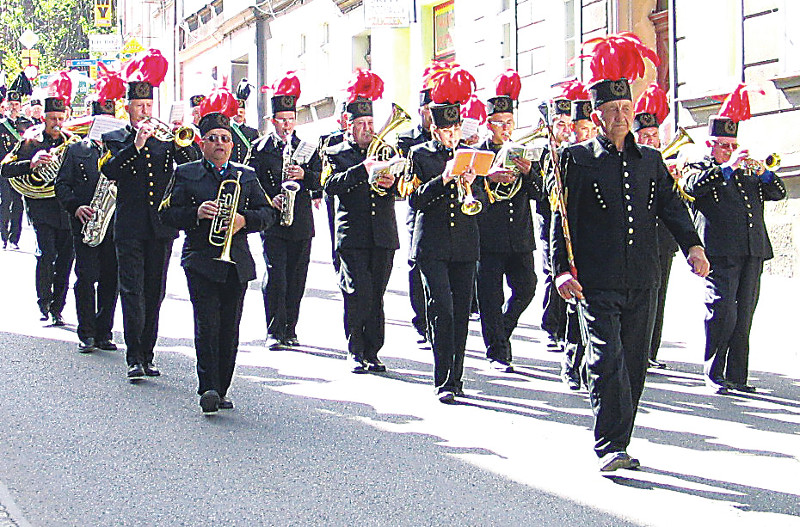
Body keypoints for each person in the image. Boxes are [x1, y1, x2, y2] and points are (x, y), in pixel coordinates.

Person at [552, 60, 710, 471]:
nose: (621, 116)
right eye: (612, 110)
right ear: (597, 114)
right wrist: (562, 269)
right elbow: (562, 219)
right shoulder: (577, 158)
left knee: (635, 362)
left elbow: (673, 209)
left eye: (626, 108)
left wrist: (693, 246)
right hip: (595, 280)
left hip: (642, 277)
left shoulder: (651, 160)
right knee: (606, 360)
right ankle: (609, 445)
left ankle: (621, 437)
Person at [160, 110, 275, 413]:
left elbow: (267, 214)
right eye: (213, 139)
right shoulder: (185, 173)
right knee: (207, 324)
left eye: (225, 139)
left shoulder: (245, 175)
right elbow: (166, 213)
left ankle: (222, 387)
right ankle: (207, 386)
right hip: (200, 259)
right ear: (202, 144)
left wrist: (244, 219)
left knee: (229, 328)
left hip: (235, 261)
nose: (220, 144)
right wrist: (195, 213)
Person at [101, 50, 199, 380]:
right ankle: (133, 356)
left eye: (148, 106)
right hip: (128, 226)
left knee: (154, 292)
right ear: (127, 106)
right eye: (139, 106)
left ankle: (149, 352)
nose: (145, 111)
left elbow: (191, 163)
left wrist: (181, 138)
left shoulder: (165, 139)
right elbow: (111, 171)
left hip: (160, 227)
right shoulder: (114, 138)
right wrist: (138, 146)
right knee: (131, 290)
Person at [683, 84, 786, 394]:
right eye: (724, 146)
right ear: (711, 145)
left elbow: (778, 193)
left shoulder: (746, 172)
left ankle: (737, 376)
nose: (730, 151)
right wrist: (726, 167)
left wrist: (765, 173)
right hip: (719, 252)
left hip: (752, 251)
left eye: (733, 145)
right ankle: (713, 374)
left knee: (743, 315)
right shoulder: (701, 168)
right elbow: (693, 188)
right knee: (722, 311)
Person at [406, 63, 482, 403]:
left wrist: (472, 184)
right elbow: (414, 197)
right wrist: (446, 178)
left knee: (462, 312)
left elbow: (484, 200)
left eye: (456, 129)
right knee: (442, 309)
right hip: (432, 245)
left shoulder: (469, 155)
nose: (453, 135)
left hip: (465, 244)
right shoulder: (419, 155)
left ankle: (458, 375)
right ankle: (443, 379)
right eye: (447, 130)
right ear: (436, 129)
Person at [324, 71, 399, 373]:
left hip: (382, 235)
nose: (368, 129)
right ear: (349, 125)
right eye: (361, 125)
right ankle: (355, 349)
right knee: (358, 293)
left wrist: (392, 179)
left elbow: (399, 188)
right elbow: (331, 185)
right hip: (352, 235)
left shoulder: (386, 151)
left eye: (370, 124)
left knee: (377, 295)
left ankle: (374, 350)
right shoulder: (335, 153)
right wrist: (361, 169)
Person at [248, 72, 321, 349]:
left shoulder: (307, 147)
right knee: (275, 275)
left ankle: (291, 328)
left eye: (291, 120)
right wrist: (269, 201)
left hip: (301, 220)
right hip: (273, 220)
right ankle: (273, 330)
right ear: (272, 121)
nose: (287, 126)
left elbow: (319, 179)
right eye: (282, 121)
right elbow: (251, 182)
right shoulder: (260, 148)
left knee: (296, 277)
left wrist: (305, 174)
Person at [475, 69, 540, 373]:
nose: (504, 129)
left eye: (509, 123)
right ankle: (497, 351)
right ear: (488, 124)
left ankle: (503, 326)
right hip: (488, 236)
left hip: (520, 235)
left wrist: (529, 172)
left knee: (527, 287)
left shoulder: (525, 152)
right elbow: (469, 190)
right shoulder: (477, 154)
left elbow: (540, 194)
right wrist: (488, 176)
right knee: (490, 295)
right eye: (498, 124)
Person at [1, 95, 75, 325]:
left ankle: (58, 307)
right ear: (44, 118)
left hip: (67, 210)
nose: (57, 123)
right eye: (52, 118)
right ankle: (44, 303)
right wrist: (31, 163)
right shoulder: (30, 141)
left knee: (65, 260)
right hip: (41, 208)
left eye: (61, 118)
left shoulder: (72, 143)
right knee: (46, 254)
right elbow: (6, 169)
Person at [54, 99, 120, 352]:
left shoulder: (120, 151)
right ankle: (87, 332)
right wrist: (75, 206)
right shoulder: (77, 150)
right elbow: (61, 184)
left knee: (110, 279)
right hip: (86, 223)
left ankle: (104, 332)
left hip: (113, 224)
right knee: (86, 277)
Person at [632, 83, 677, 370]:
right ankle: (638, 349)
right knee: (643, 296)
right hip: (639, 238)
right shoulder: (633, 162)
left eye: (654, 136)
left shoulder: (669, 160)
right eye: (645, 136)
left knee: (660, 296)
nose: (651, 141)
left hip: (665, 238)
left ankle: (651, 351)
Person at [397, 87, 433, 343]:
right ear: (422, 110)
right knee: (416, 263)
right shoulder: (407, 138)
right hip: (418, 210)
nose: (433, 116)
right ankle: (421, 320)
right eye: (430, 111)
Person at [537, 95, 572, 352]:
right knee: (552, 271)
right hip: (548, 217)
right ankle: (550, 327)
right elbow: (541, 190)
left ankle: (563, 327)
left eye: (569, 123)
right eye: (560, 123)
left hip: (572, 221)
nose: (566, 128)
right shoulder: (541, 151)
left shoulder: (574, 151)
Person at [317, 101, 348, 273]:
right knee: (334, 228)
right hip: (334, 189)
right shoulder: (329, 138)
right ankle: (337, 262)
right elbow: (322, 166)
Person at [0, 90, 34, 250]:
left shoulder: (27, 125)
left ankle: (15, 238)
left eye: (16, 104)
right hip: (5, 169)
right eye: (11, 104)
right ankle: (4, 236)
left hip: (21, 170)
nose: (14, 107)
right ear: (5, 106)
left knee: (19, 204)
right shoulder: (1, 126)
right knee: (5, 202)